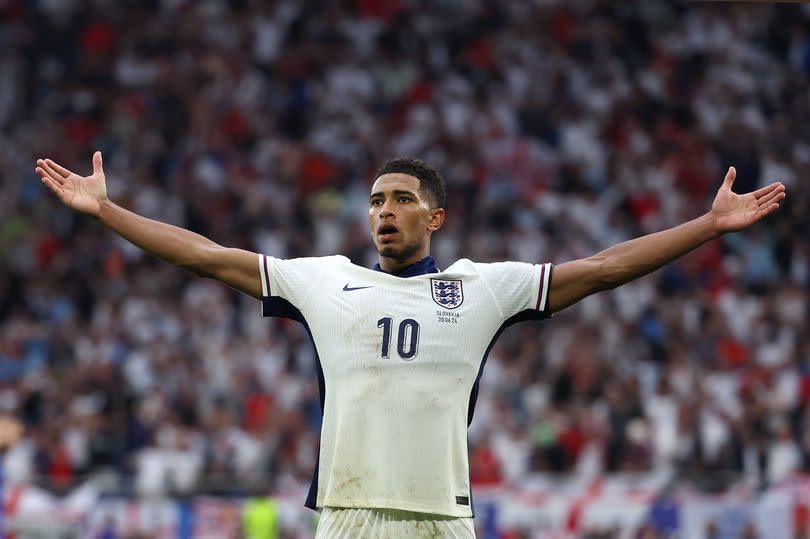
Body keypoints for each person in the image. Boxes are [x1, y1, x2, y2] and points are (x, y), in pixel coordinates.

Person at [35, 153, 785, 538]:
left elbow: (602, 267)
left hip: (440, 515)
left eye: (400, 199)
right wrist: (109, 212)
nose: (383, 212)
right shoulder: (324, 281)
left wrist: (707, 226)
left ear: (437, 216)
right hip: (349, 512)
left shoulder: (483, 288)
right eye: (375, 201)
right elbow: (206, 254)